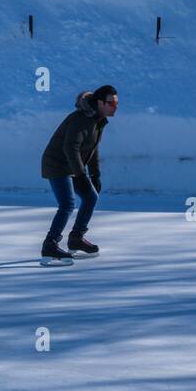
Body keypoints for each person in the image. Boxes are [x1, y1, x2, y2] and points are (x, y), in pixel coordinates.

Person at [38, 85, 118, 264]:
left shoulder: (98, 119)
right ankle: (50, 244)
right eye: (110, 103)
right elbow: (70, 148)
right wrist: (81, 176)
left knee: (90, 197)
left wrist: (95, 174)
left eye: (116, 104)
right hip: (56, 163)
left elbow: (92, 148)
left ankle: (76, 238)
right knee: (67, 204)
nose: (114, 107)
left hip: (71, 164)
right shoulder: (82, 119)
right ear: (99, 103)